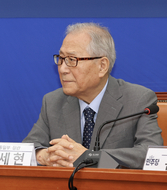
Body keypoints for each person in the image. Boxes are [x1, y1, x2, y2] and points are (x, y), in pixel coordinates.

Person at [23, 22, 162, 169]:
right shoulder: (52, 101)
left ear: (102, 66)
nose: (63, 69)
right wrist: (46, 155)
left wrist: (90, 157)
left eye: (72, 60)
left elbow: (152, 155)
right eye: (61, 58)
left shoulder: (138, 100)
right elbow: (29, 148)